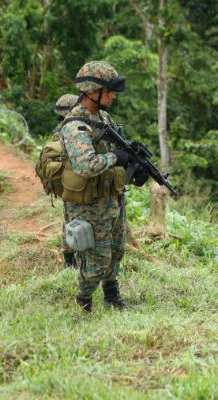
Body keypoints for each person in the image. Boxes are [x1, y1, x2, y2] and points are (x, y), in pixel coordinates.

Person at [60, 61, 146, 312]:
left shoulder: (103, 118)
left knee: (117, 251)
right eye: (107, 91)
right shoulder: (76, 126)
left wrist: (134, 165)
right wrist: (116, 158)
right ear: (91, 90)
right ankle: (83, 302)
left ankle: (112, 297)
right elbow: (85, 165)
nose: (112, 96)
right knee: (97, 259)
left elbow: (114, 153)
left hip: (111, 199)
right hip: (89, 205)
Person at [52, 94, 79, 268]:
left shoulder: (58, 130)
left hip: (67, 182)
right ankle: (70, 260)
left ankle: (69, 258)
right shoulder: (68, 131)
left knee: (69, 219)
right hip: (72, 182)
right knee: (73, 220)